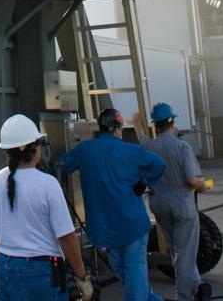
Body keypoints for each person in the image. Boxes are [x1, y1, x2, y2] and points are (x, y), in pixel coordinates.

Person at [0, 114, 94, 301]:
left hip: (5, 268)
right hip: (42, 272)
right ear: (35, 150)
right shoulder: (48, 184)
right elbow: (66, 238)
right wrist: (81, 276)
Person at [57, 107, 166, 301]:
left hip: (105, 231)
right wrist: (143, 183)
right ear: (117, 129)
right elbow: (159, 163)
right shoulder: (130, 150)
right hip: (133, 226)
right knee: (135, 282)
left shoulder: (85, 150)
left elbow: (58, 168)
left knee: (130, 280)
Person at [135, 103, 211, 301]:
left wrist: (136, 120)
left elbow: (140, 137)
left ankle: (198, 288)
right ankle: (184, 296)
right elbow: (193, 180)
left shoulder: (149, 145)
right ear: (172, 123)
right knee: (186, 254)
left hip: (159, 204)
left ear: (156, 125)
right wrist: (205, 186)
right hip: (182, 205)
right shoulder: (181, 146)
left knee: (178, 251)